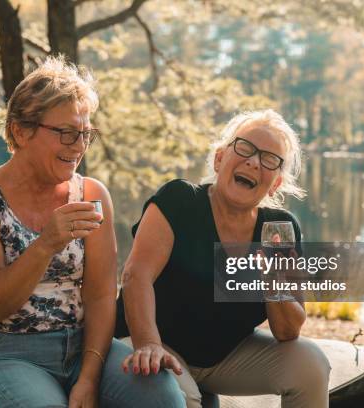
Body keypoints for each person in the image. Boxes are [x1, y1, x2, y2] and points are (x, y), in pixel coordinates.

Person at [0, 56, 184, 408]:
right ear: (20, 130)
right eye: (67, 133)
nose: (78, 146)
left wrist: (88, 377)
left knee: (161, 397)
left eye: (85, 134)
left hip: (81, 350)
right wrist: (45, 245)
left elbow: (101, 297)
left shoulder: (91, 194)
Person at [117, 109, 331, 408]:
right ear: (219, 159)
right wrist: (149, 344)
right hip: (153, 342)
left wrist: (273, 278)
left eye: (269, 159)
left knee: (310, 364)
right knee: (186, 398)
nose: (254, 161)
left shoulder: (279, 228)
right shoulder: (180, 200)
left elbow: (287, 331)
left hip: (225, 358)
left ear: (275, 184)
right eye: (245, 148)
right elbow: (135, 276)